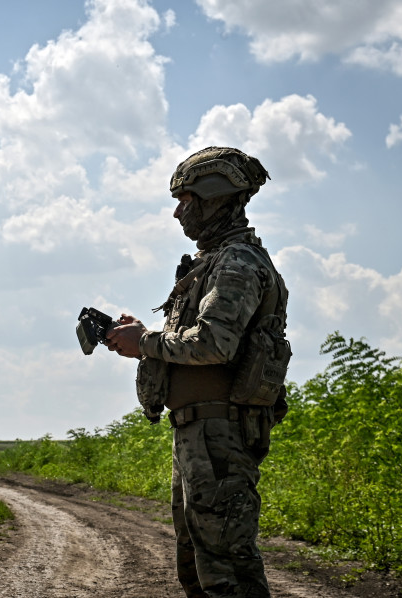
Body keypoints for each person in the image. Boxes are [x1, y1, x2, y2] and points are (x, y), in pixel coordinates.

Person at [106, 146, 290, 598]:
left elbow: (213, 344)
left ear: (216, 200)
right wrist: (143, 337)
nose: (177, 213)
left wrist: (144, 343)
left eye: (186, 200)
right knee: (198, 568)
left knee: (226, 569)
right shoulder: (212, 264)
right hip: (198, 433)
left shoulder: (238, 263)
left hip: (219, 434)